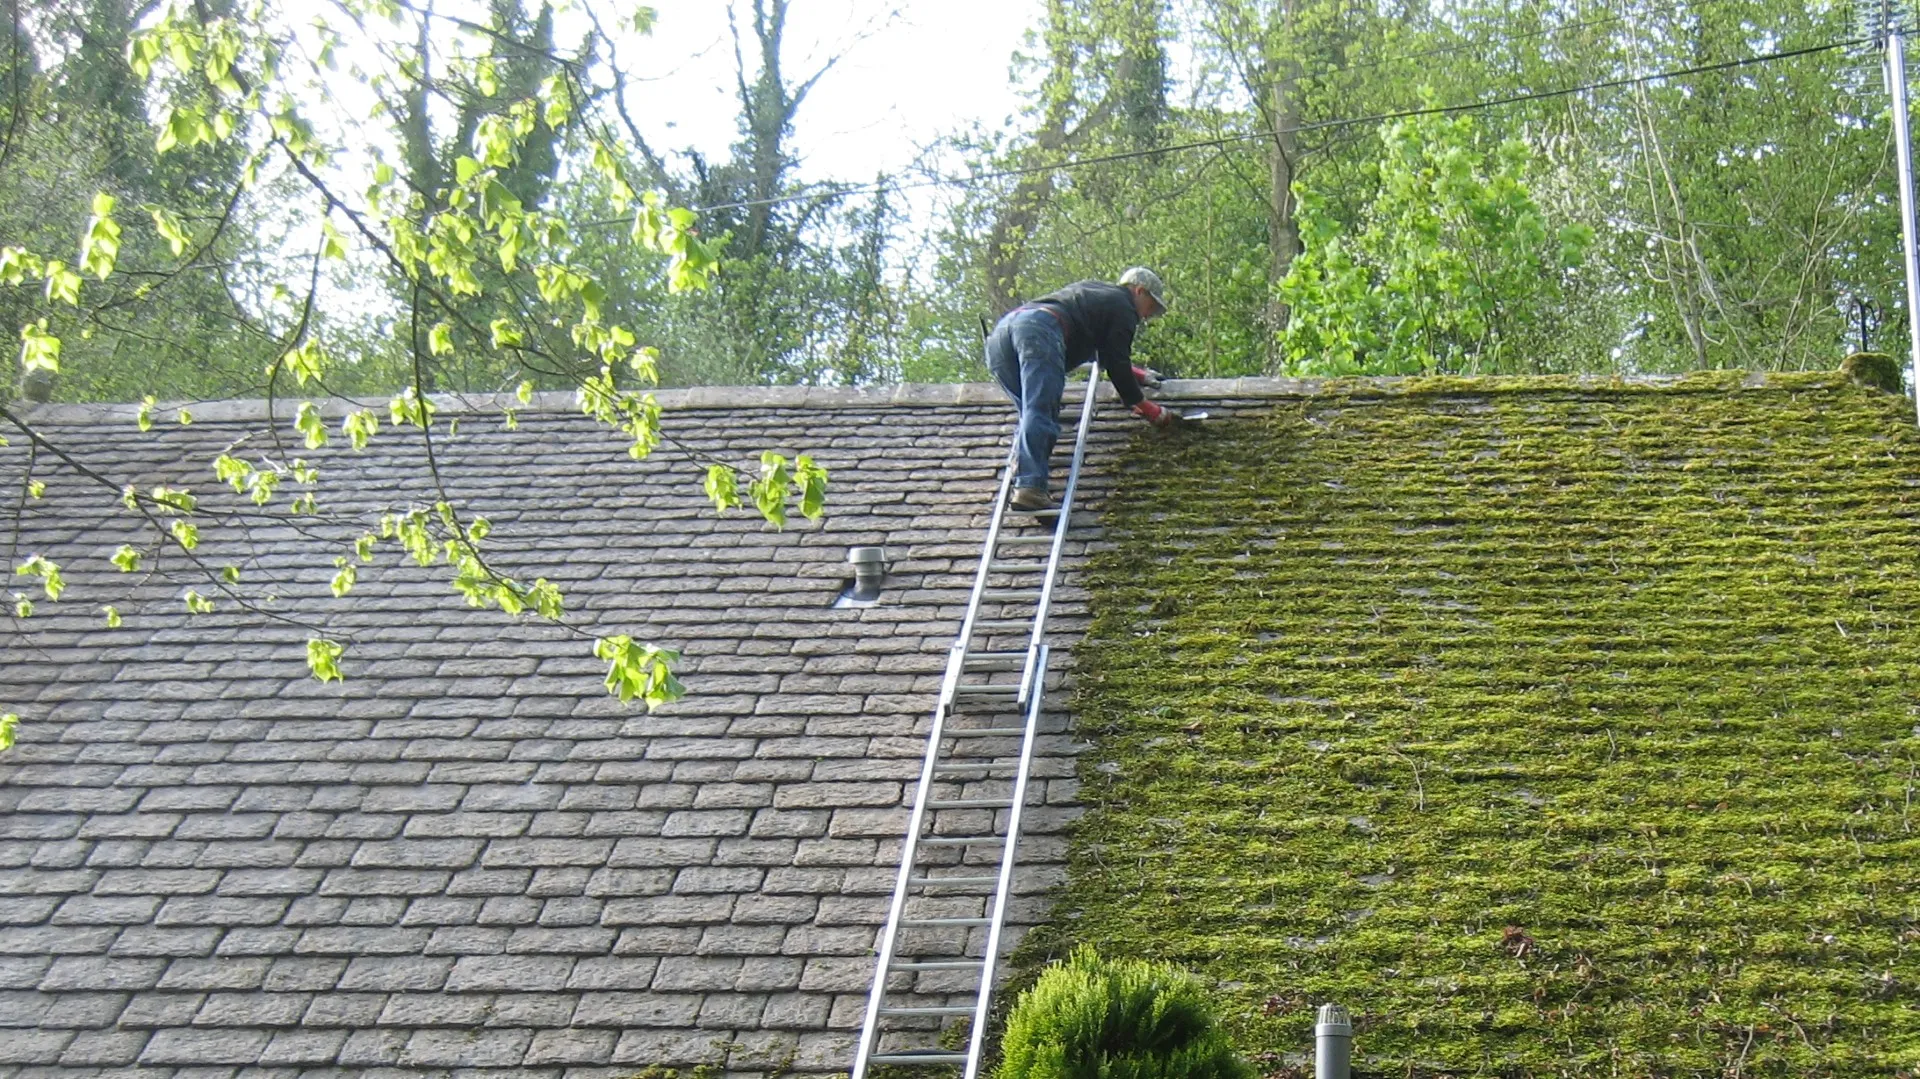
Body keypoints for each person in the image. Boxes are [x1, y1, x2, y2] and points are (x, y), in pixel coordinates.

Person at [984, 266, 1180, 512]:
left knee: (1030, 412)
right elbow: (1117, 363)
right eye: (1149, 308)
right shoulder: (1124, 306)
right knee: (1040, 410)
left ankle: (1024, 467)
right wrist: (1145, 406)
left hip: (1002, 334)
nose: (1145, 317)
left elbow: (1108, 354)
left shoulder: (1094, 294)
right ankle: (1030, 488)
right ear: (1139, 291)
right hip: (1038, 331)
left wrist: (1138, 374)